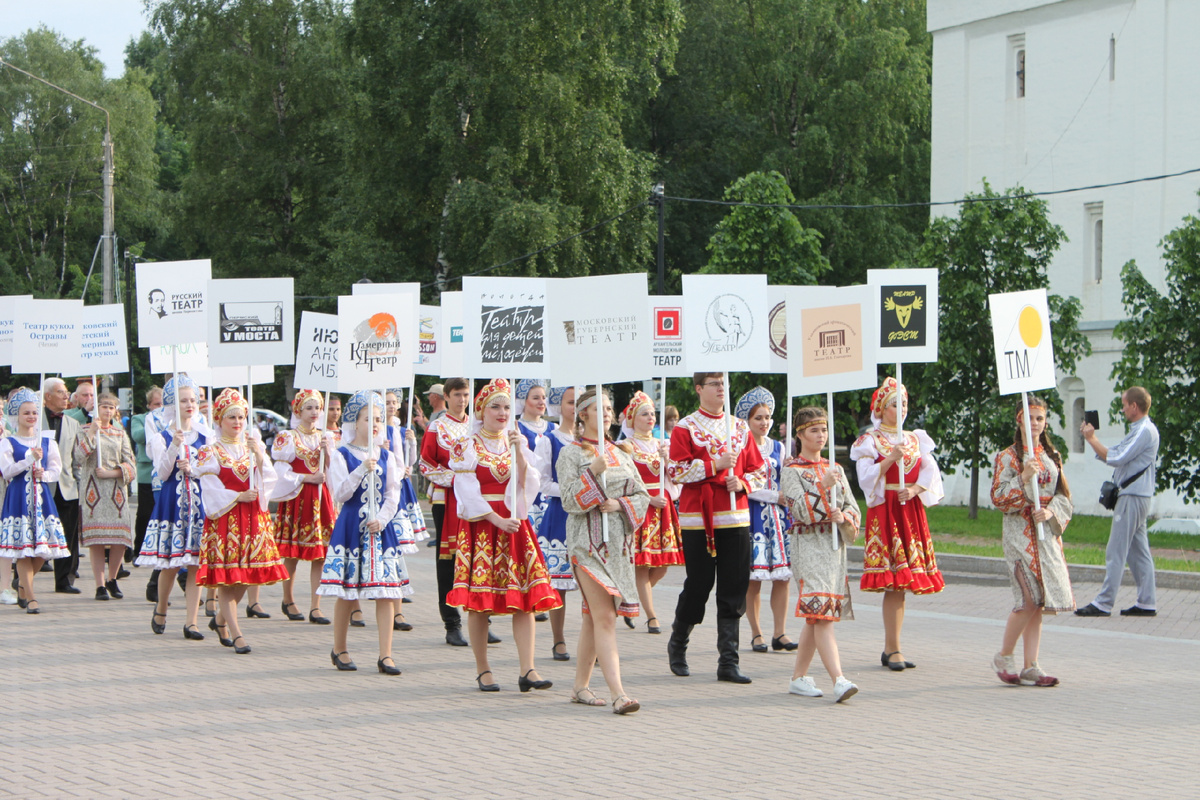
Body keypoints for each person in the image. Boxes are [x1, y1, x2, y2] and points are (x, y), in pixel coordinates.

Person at [446, 378, 561, 692]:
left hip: (514, 524)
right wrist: (495, 518)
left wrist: (518, 451)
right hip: (483, 525)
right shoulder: (467, 445)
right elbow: (465, 490)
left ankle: (529, 669)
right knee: (479, 600)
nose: (501, 412)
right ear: (481, 410)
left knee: (524, 598)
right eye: (495, 406)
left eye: (507, 406)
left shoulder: (517, 440)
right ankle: (484, 670)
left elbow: (530, 483)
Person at [666, 372, 766, 684]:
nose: (721, 389)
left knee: (734, 586)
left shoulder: (739, 427)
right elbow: (676, 471)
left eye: (723, 384)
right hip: (698, 518)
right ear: (699, 389)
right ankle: (678, 642)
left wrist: (744, 481)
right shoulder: (685, 427)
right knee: (699, 584)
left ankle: (728, 661)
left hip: (735, 517)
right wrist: (714, 466)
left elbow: (759, 469)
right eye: (714, 384)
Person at [558, 387, 649, 714]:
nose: (607, 413)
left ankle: (580, 686)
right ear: (582, 415)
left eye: (610, 407)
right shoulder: (571, 454)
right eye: (599, 408)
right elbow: (569, 501)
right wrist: (594, 471)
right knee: (606, 617)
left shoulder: (623, 452)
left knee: (592, 619)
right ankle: (619, 693)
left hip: (619, 547)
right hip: (587, 544)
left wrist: (621, 504)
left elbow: (642, 496)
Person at [851, 377, 945, 672]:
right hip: (887, 512)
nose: (901, 409)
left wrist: (916, 490)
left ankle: (894, 646)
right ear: (881, 408)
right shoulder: (871, 441)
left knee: (903, 583)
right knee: (893, 580)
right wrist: (890, 458)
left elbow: (932, 474)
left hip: (910, 510)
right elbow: (865, 478)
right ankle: (892, 648)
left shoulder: (916, 438)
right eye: (894, 404)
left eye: (904, 403)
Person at [318, 390, 409, 675]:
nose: (375, 424)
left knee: (385, 592)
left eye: (379, 419)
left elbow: (394, 494)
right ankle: (340, 648)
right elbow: (340, 493)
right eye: (368, 419)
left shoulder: (388, 456)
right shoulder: (342, 454)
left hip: (380, 530)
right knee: (347, 591)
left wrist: (382, 519)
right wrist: (360, 469)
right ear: (354, 422)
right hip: (350, 528)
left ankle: (386, 654)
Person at [194, 388, 288, 654]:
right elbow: (209, 489)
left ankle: (221, 619)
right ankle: (237, 634)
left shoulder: (252, 446)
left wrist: (259, 456)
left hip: (253, 518)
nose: (237, 422)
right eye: (231, 417)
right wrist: (237, 495)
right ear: (219, 419)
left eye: (241, 417)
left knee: (248, 576)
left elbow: (270, 478)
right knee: (228, 577)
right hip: (227, 519)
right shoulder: (209, 451)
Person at [990, 397, 1074, 686]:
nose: (1035, 423)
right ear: (1019, 420)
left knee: (1039, 601)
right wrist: (1023, 478)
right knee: (1027, 599)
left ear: (1045, 421)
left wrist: (1051, 511)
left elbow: (1065, 497)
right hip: (1018, 535)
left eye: (1039, 418)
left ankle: (1031, 665)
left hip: (1044, 536)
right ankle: (1004, 655)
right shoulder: (1008, 457)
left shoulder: (1053, 456)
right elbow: (999, 498)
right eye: (1029, 417)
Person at [779, 406, 860, 702]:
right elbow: (799, 510)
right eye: (814, 430)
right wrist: (823, 490)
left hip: (832, 548)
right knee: (822, 615)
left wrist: (845, 518)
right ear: (800, 434)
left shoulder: (835, 468)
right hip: (808, 547)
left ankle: (799, 677)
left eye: (824, 429)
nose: (821, 435)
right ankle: (839, 679)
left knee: (816, 616)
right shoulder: (791, 471)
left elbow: (853, 506)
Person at [1076, 386, 1160, 617]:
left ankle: (1103, 603)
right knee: (1138, 551)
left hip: (1133, 496)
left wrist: (1091, 439)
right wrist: (1094, 441)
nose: (1122, 409)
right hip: (1135, 495)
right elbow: (1117, 452)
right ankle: (1147, 602)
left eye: (1124, 405)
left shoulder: (1145, 430)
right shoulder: (1139, 429)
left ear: (1134, 406)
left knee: (1116, 549)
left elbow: (1117, 457)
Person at [136, 377, 207, 639]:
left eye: (193, 400)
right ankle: (162, 607)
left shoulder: (205, 435)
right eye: (183, 400)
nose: (190, 405)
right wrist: (175, 445)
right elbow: (162, 473)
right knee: (171, 563)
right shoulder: (161, 437)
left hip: (198, 505)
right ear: (171, 404)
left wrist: (195, 469)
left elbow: (212, 471)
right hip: (172, 504)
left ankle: (192, 621)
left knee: (196, 564)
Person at [733, 387, 796, 653]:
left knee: (782, 577)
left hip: (779, 519)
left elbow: (785, 478)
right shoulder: (741, 447)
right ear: (747, 421)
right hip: (754, 514)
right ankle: (756, 632)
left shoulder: (779, 447)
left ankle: (780, 632)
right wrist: (775, 495)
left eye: (767, 417)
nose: (764, 422)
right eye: (758, 417)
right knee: (754, 577)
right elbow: (745, 484)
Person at [271, 390, 338, 625]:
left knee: (320, 555)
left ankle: (315, 606)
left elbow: (335, 471)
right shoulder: (288, 437)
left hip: (322, 498)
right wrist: (304, 478)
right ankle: (287, 599)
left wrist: (327, 452)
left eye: (316, 408)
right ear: (298, 411)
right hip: (298, 498)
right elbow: (279, 471)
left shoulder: (325, 437)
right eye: (308, 408)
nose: (313, 413)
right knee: (292, 553)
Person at [620, 391, 683, 637]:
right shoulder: (626, 446)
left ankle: (631, 597)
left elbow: (675, 480)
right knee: (642, 566)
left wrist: (669, 461)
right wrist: (647, 498)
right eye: (645, 414)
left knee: (663, 566)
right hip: (642, 508)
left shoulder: (661, 445)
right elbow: (625, 482)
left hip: (662, 507)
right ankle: (651, 615)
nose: (651, 418)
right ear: (633, 418)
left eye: (652, 414)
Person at [0, 389, 68, 613]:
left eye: (34, 412)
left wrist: (44, 474)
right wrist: (29, 459)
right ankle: (30, 597)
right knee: (23, 549)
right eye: (25, 412)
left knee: (43, 550)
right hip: (18, 498)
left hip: (41, 499)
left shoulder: (47, 442)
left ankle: (21, 584)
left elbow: (56, 470)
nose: (30, 416)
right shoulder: (8, 442)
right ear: (16, 416)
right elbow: (8, 471)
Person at [419, 377, 473, 647]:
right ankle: (451, 622)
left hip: (476, 499)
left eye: (465, 394)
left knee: (477, 556)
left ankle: (481, 618)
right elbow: (426, 464)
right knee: (448, 560)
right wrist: (455, 478)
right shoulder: (436, 427)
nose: (462, 400)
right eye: (457, 394)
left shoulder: (478, 425)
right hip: (446, 499)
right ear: (447, 397)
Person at [74, 393, 137, 600]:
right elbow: (78, 457)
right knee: (97, 541)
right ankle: (100, 585)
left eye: (111, 408)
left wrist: (112, 473)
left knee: (119, 539)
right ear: (96, 409)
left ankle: (112, 578)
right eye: (104, 407)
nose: (107, 411)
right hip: (94, 493)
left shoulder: (120, 433)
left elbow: (130, 463)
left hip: (116, 493)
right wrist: (92, 434)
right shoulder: (84, 430)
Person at [533, 386, 578, 659]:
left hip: (591, 514)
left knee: (593, 583)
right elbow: (543, 483)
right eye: (570, 402)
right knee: (560, 582)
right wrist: (574, 492)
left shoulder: (595, 441)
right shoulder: (549, 440)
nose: (575, 408)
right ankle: (558, 639)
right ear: (558, 406)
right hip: (561, 513)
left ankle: (594, 639)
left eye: (579, 402)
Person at [517, 382, 555, 623]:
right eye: (535, 397)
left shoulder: (554, 428)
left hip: (549, 496)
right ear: (524, 401)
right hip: (529, 496)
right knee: (530, 548)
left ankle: (544, 595)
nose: (541, 402)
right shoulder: (516, 428)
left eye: (543, 397)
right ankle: (530, 594)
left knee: (547, 548)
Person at [42, 378, 83, 595]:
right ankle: (22, 579)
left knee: (68, 535)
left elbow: (76, 459)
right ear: (47, 396)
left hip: (66, 486)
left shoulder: (73, 424)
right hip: (40, 486)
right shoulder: (34, 419)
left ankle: (64, 580)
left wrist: (80, 486)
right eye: (61, 392)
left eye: (66, 392)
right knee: (35, 532)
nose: (66, 396)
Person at [131, 386, 163, 600]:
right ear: (149, 405)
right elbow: (139, 436)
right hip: (146, 471)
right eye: (156, 404)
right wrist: (157, 424)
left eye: (163, 404)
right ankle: (139, 548)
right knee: (144, 513)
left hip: (164, 472)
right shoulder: (140, 419)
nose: (160, 408)